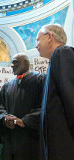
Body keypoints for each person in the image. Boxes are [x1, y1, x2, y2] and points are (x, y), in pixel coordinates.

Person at [0, 53, 46, 160]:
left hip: (31, 139)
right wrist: (5, 119)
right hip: (10, 140)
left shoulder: (40, 80)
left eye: (15, 62)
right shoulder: (7, 85)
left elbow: (46, 106)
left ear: (26, 63)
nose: (12, 65)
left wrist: (24, 121)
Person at [36, 24, 74, 160]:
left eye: (38, 39)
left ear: (49, 37)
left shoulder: (62, 53)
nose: (36, 45)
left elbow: (71, 97)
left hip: (65, 145)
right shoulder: (56, 59)